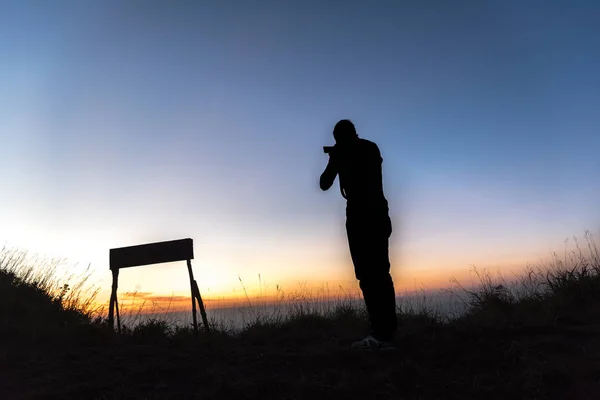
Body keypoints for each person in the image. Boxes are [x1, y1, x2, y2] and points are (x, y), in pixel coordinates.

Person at [319, 119, 397, 350]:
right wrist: (337, 158)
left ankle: (381, 335)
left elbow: (325, 183)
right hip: (374, 213)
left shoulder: (360, 151)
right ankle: (384, 333)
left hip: (363, 215)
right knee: (376, 274)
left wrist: (337, 158)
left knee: (373, 275)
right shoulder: (368, 148)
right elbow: (325, 183)